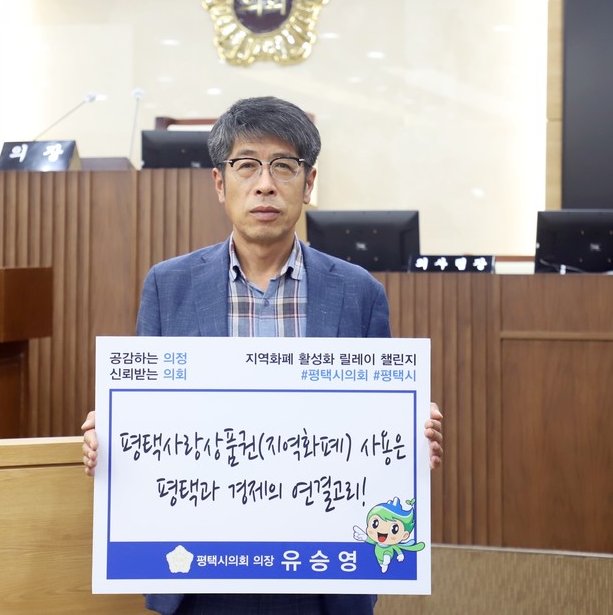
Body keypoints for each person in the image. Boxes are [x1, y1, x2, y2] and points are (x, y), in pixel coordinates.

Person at [82, 96, 443, 615]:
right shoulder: (168, 286)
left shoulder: (359, 292)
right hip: (199, 571)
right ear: (219, 183)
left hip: (321, 576)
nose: (265, 184)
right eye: (247, 165)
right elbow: (150, 415)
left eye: (284, 167)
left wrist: (409, 434)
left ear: (309, 183)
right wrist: (113, 433)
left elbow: (375, 427)